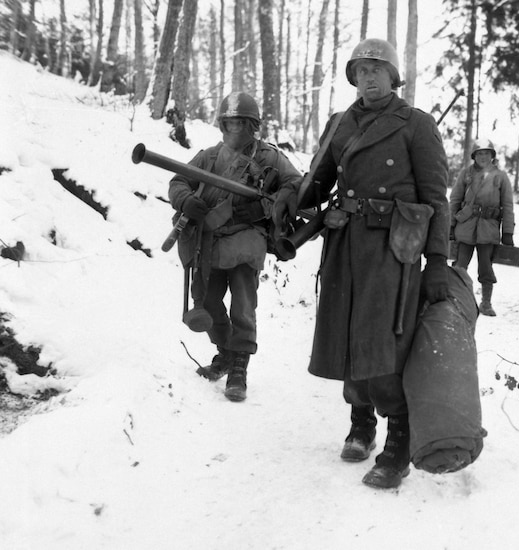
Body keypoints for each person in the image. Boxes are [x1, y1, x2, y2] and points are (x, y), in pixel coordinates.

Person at [289, 38, 450, 489]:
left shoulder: (416, 124)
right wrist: (293, 200)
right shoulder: (340, 123)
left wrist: (437, 259)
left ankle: (398, 440)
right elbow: (316, 184)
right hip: (345, 242)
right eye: (361, 70)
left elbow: (437, 197)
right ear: (354, 77)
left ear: (394, 77)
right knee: (345, 333)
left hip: (394, 246)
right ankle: (361, 423)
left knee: (385, 340)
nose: (370, 77)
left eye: (378, 70)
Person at [168, 92, 302, 402]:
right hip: (209, 241)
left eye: (242, 123)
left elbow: (294, 185)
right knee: (208, 302)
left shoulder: (270, 158)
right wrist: (187, 200)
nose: (235, 130)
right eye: (230, 123)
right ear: (221, 125)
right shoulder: (209, 157)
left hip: (247, 241)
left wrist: (270, 205)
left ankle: (240, 365)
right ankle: (226, 352)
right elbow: (179, 181)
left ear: (253, 126)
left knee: (243, 306)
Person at [449, 138, 515, 317]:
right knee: (459, 266)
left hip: (488, 229)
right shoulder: (466, 174)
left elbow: (508, 206)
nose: (483, 157)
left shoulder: (501, 177)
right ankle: (455, 300)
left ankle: (486, 303)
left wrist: (507, 232)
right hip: (465, 227)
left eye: (486, 153)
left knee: (486, 267)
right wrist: (450, 225)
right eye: (479, 153)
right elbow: (454, 200)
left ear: (492, 156)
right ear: (474, 156)